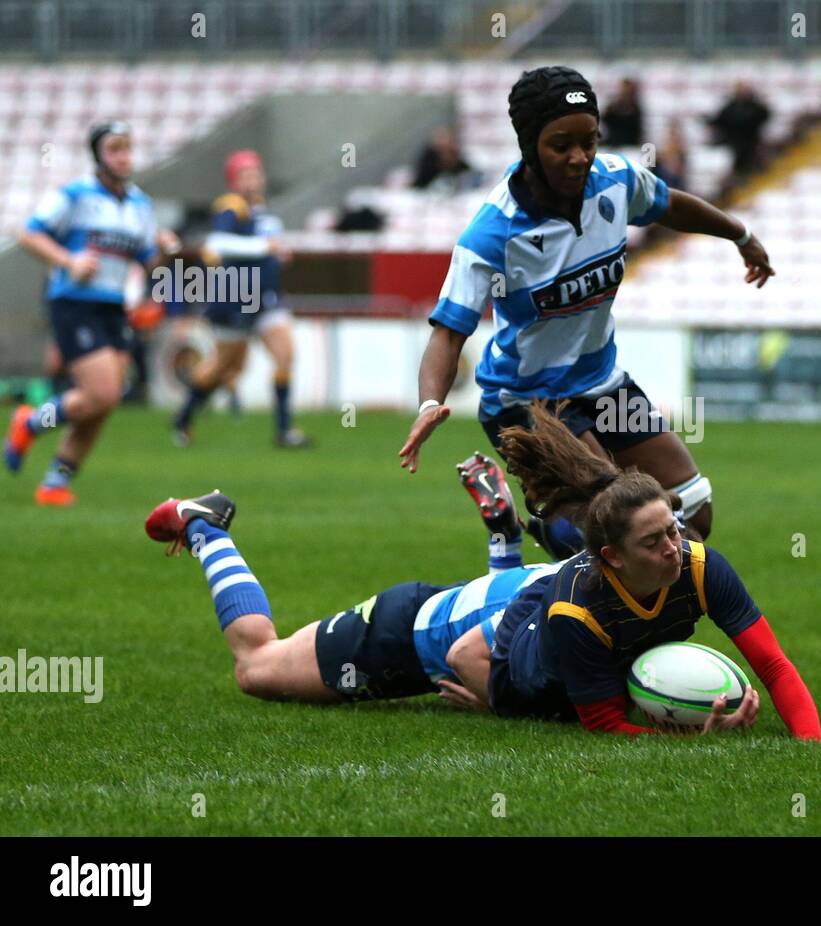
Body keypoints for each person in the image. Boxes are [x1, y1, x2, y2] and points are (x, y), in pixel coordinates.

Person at [398, 65, 775, 559]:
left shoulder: (614, 182)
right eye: (562, 145)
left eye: (589, 140)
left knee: (695, 517)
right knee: (615, 532)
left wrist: (739, 235)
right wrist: (430, 405)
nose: (580, 158)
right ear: (530, 144)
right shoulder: (492, 235)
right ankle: (530, 530)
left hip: (603, 383)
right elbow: (448, 333)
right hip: (529, 401)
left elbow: (670, 204)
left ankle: (543, 517)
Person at [448, 400, 821, 740]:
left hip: (559, 594)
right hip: (520, 655)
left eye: (673, 531)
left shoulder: (699, 566)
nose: (673, 548)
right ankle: (507, 537)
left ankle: (519, 533)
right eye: (652, 541)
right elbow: (604, 722)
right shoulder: (576, 609)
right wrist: (690, 734)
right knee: (451, 650)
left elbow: (773, 664)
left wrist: (810, 744)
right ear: (613, 556)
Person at [141, 451, 561, 708]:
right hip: (402, 635)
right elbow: (466, 655)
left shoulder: (595, 570)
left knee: (512, 619)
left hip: (453, 609)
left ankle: (504, 541)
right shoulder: (595, 588)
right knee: (256, 666)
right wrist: (498, 698)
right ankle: (203, 526)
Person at [6, 122, 176, 505]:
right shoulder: (75, 194)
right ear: (99, 155)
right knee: (102, 392)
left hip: (113, 307)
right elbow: (28, 233)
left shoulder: (140, 205)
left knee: (102, 402)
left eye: (128, 148)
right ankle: (31, 423)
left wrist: (164, 248)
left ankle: (55, 482)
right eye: (115, 149)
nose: (124, 156)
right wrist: (69, 259)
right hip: (75, 303)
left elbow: (149, 261)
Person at [172, 149, 311, 448]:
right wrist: (265, 248)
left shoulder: (261, 210)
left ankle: (284, 430)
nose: (253, 180)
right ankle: (184, 417)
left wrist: (277, 255)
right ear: (234, 181)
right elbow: (219, 243)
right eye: (245, 175)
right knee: (225, 367)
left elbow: (265, 248)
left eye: (256, 174)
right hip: (237, 297)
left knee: (285, 354)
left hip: (267, 298)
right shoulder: (230, 207)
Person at [708, 81, 771, 176]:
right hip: (734, 142)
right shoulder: (731, 106)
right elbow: (720, 120)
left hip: (751, 141)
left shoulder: (755, 106)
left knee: (751, 164)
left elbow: (764, 115)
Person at [600, 77, 644, 148]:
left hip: (630, 143)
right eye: (623, 88)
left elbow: (635, 128)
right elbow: (605, 119)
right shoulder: (613, 105)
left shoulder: (635, 107)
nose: (625, 91)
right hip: (612, 142)